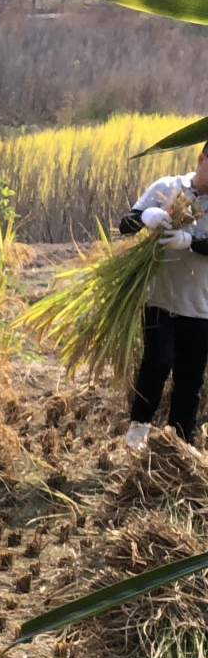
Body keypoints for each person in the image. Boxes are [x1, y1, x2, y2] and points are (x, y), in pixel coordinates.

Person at [120, 146, 208, 453]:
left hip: (200, 305)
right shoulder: (167, 187)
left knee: (190, 379)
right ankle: (137, 431)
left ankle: (181, 447)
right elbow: (125, 225)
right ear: (201, 160)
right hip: (159, 298)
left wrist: (191, 241)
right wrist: (146, 216)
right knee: (157, 364)